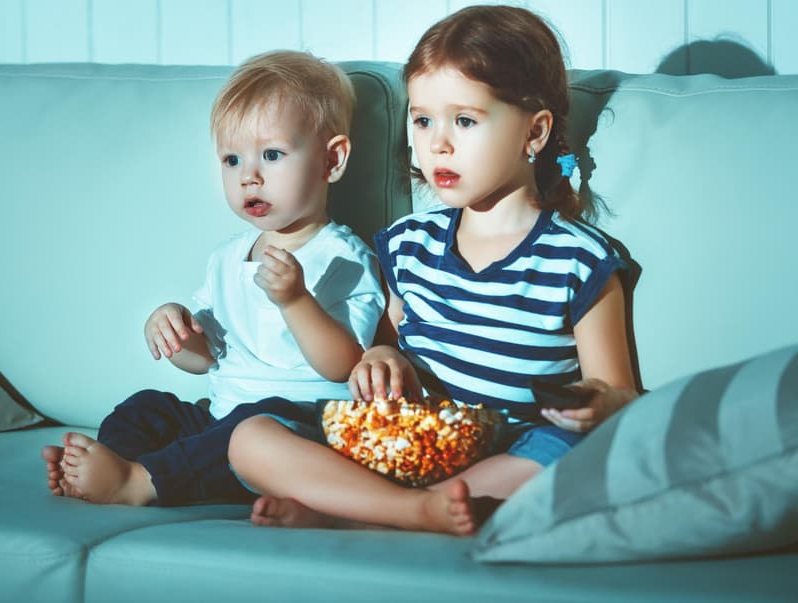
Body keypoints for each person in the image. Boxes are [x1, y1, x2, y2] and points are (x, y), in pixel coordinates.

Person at [227, 5, 641, 535]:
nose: (437, 142)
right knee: (250, 436)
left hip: (513, 444)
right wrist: (380, 361)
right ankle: (406, 511)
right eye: (422, 120)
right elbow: (381, 347)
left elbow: (617, 392)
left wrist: (599, 403)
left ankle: (357, 511)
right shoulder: (408, 245)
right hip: (407, 443)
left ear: (533, 133)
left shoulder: (578, 259)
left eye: (464, 121)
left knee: (575, 452)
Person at [41, 50, 386, 507]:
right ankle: (109, 465)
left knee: (255, 425)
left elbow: (343, 363)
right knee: (147, 408)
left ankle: (138, 483)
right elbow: (207, 359)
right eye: (232, 160)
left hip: (302, 426)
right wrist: (176, 333)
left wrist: (296, 300)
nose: (249, 176)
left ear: (332, 160)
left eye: (271, 154)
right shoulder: (227, 258)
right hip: (223, 417)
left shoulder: (342, 255)